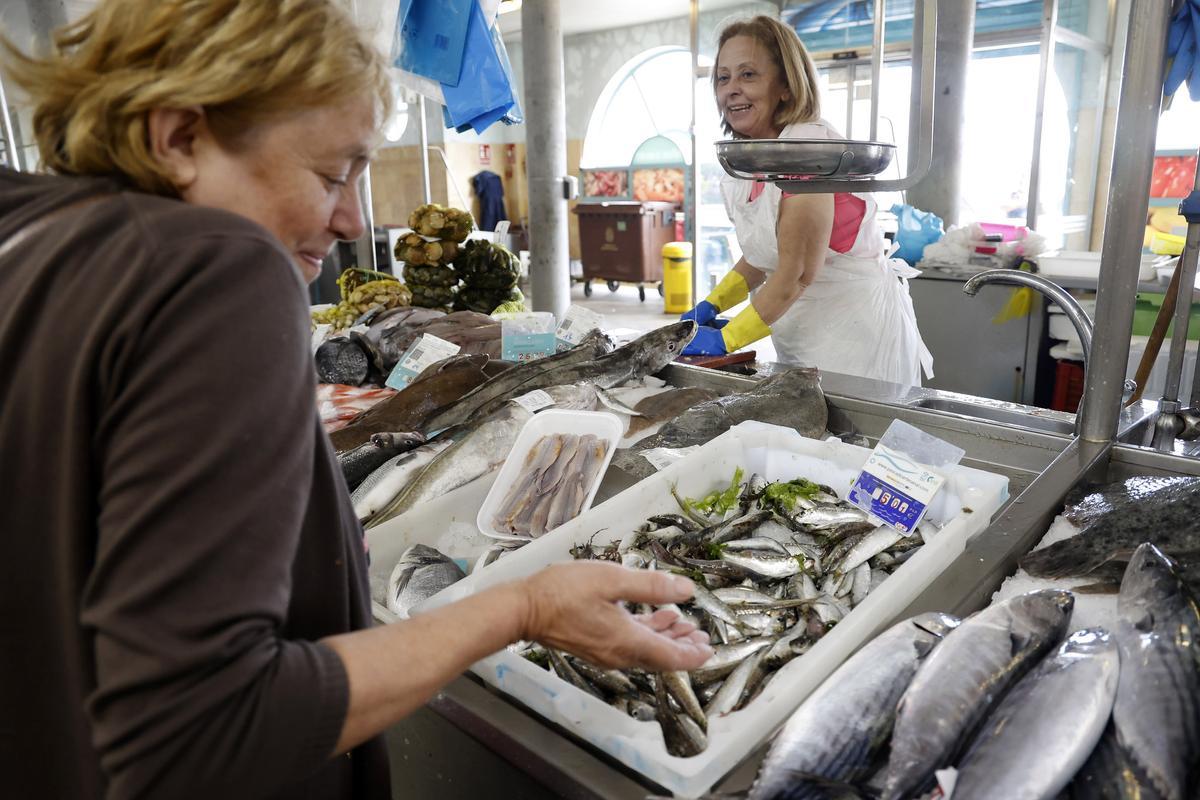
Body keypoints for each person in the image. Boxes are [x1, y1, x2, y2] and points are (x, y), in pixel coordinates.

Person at [0, 2, 711, 798]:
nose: (354, 220)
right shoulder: (213, 272)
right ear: (178, 135)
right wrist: (526, 606)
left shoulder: (34, 242)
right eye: (332, 174)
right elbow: (199, 730)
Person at [681, 16, 933, 387]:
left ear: (785, 85)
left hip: (854, 343)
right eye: (723, 77)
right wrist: (711, 305)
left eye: (748, 75)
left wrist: (726, 339)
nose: (731, 89)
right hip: (799, 335)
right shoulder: (749, 159)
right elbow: (763, 253)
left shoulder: (807, 150)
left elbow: (797, 272)